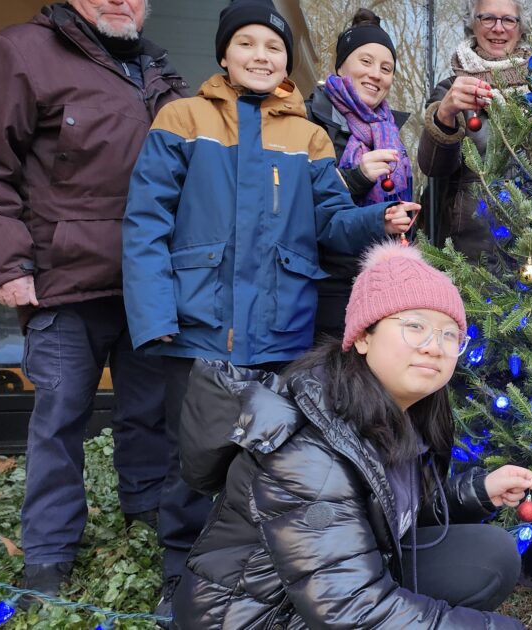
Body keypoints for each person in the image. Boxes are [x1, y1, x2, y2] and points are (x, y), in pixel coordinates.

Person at [121, 0, 405, 615]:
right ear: (224, 54)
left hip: (281, 330)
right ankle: (182, 580)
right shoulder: (182, 118)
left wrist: (376, 219)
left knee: (268, 463)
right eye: (246, 44)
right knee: (193, 464)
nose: (260, 55)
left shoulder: (305, 134)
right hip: (197, 331)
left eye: (273, 48)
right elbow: (145, 224)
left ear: (285, 61)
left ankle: (254, 582)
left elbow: (329, 220)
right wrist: (154, 317)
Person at [174, 242, 530, 629]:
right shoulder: (310, 448)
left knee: (490, 554)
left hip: (317, 598)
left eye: (449, 335)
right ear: (363, 337)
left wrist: (473, 493)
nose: (435, 348)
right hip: (259, 618)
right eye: (414, 326)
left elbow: (386, 511)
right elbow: (349, 611)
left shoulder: (400, 414)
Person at [0, 0, 187, 599]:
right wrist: (5, 265)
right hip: (63, 283)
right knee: (59, 420)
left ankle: (146, 518)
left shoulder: (159, 71)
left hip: (148, 281)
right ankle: (48, 556)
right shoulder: (22, 53)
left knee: (148, 413)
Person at [307, 7, 419, 341]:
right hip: (322, 289)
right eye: (365, 62)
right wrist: (356, 178)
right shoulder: (308, 119)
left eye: (386, 68)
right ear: (341, 66)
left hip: (380, 286)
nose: (376, 75)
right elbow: (299, 206)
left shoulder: (392, 133)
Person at [416, 0, 530, 261]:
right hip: (469, 255)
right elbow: (433, 167)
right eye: (487, 18)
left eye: (508, 20)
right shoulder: (452, 91)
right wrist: (444, 115)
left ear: (520, 29)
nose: (498, 28)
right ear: (473, 25)